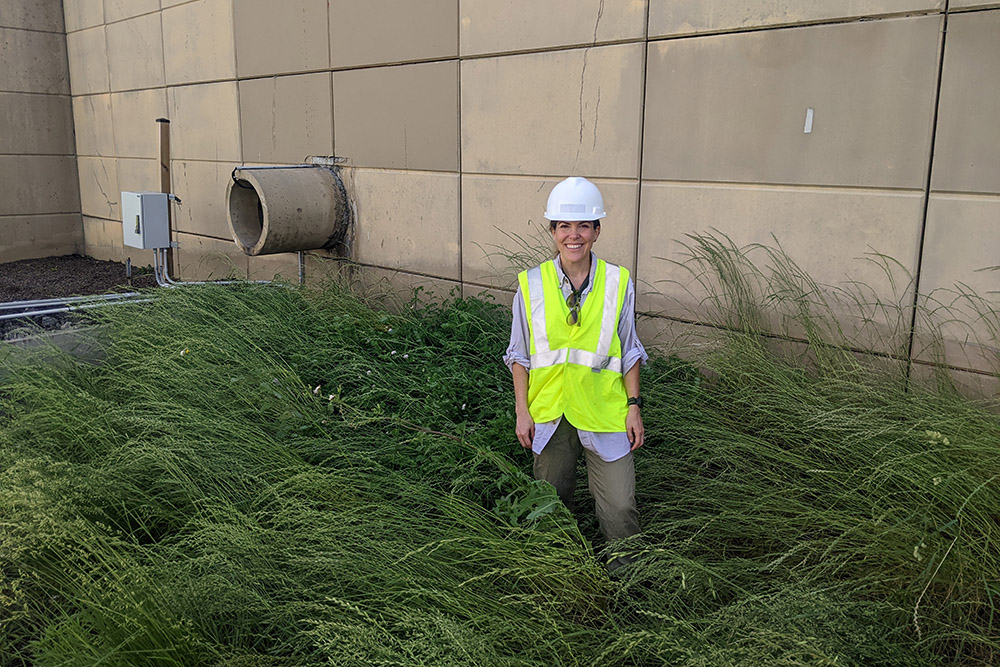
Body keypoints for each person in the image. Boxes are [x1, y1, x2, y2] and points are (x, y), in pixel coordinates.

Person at [503, 176, 647, 565]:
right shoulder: (530, 285)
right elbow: (519, 355)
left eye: (583, 225)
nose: (574, 235)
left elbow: (630, 349)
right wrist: (522, 410)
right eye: (564, 226)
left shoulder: (618, 283)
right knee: (550, 506)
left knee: (619, 510)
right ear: (552, 231)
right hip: (549, 413)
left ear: (597, 231)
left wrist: (634, 406)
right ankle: (559, 576)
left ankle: (628, 582)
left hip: (605, 412)